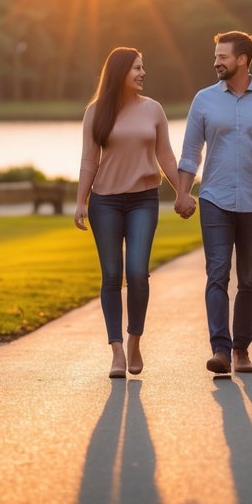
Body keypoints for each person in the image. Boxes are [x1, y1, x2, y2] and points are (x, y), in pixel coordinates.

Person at [176, 31, 252, 375]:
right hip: (215, 198)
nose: (216, 61)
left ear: (242, 59)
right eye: (216, 56)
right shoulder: (203, 100)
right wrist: (183, 193)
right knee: (217, 274)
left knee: (249, 278)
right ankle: (221, 350)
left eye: (223, 56)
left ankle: (242, 348)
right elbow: (190, 154)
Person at [75, 47, 183, 379]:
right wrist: (81, 202)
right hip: (104, 202)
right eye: (136, 67)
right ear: (120, 71)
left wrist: (182, 192)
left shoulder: (153, 109)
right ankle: (117, 351)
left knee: (137, 271)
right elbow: (89, 159)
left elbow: (165, 155)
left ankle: (135, 340)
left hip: (143, 200)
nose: (142, 72)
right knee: (111, 276)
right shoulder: (96, 112)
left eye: (142, 67)